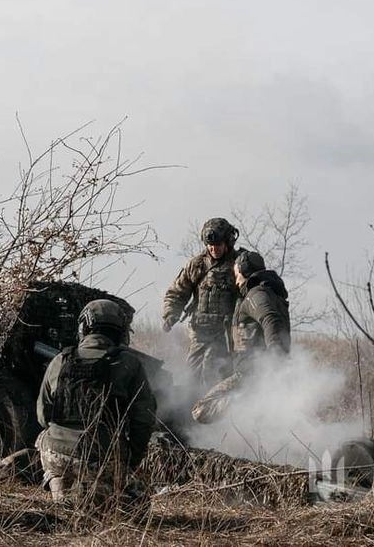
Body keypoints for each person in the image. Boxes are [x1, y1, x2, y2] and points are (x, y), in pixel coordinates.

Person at [35, 299, 156, 507]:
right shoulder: (129, 364)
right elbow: (144, 419)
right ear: (120, 332)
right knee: (141, 503)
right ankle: (99, 493)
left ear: (83, 327)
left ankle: (57, 481)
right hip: (103, 457)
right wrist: (130, 461)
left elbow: (43, 416)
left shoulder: (59, 361)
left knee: (43, 437)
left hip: (56, 454)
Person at [191, 250, 291, 423]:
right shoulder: (269, 293)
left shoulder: (257, 295)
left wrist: (275, 357)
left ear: (245, 273)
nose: (236, 281)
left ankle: (251, 401)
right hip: (255, 371)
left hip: (251, 373)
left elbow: (270, 319)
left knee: (201, 410)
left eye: (237, 275)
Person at [161, 217, 243, 391]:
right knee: (193, 377)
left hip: (227, 334)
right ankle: (190, 414)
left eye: (218, 245)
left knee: (219, 376)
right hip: (200, 333)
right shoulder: (197, 264)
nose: (214, 249)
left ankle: (221, 415)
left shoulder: (239, 265)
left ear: (227, 242)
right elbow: (177, 291)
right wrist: (170, 313)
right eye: (210, 245)